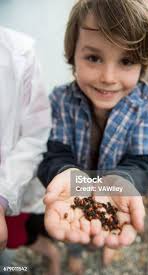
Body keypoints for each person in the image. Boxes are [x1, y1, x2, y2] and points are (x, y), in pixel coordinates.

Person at [38, 0, 148, 274]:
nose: (108, 77)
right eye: (94, 58)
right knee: (73, 219)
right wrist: (64, 171)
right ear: (72, 56)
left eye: (126, 61)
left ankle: (106, 243)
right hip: (73, 194)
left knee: (110, 220)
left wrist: (122, 182)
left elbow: (144, 162)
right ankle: (75, 253)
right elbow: (53, 154)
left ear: (143, 65)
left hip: (115, 198)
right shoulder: (59, 100)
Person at [0, 26, 60, 275]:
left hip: (14, 195)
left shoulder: (18, 54)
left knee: (16, 243)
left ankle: (52, 255)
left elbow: (36, 134)